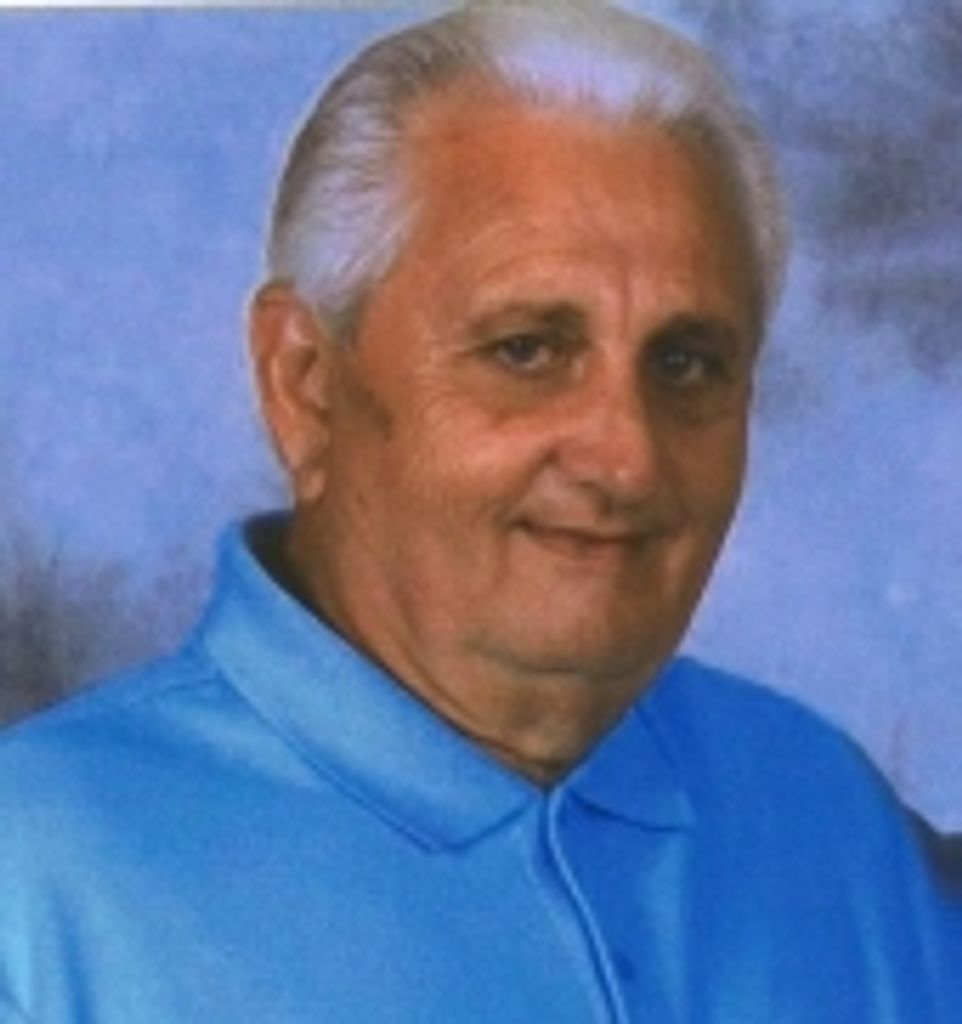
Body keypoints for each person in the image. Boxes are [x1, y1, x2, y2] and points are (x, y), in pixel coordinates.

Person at [0, 4, 957, 1021]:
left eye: (685, 364)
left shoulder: (823, 813)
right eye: (526, 350)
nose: (626, 457)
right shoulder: (33, 887)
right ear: (306, 384)